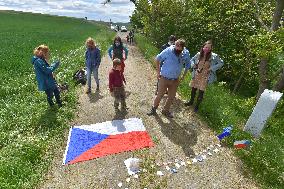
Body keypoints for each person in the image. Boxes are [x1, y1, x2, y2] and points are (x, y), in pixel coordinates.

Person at [147, 39, 191, 118]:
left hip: (175, 80)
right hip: (164, 78)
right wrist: (158, 72)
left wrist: (183, 76)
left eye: (179, 47)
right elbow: (157, 59)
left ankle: (165, 111)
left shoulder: (186, 53)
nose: (177, 48)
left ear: (183, 48)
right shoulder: (168, 50)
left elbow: (188, 65)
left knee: (171, 97)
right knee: (160, 95)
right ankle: (153, 109)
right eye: (176, 45)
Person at [184, 40, 224, 112]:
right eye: (205, 47)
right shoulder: (199, 54)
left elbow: (221, 63)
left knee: (201, 92)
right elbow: (192, 60)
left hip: (205, 76)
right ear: (203, 47)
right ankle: (191, 102)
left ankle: (197, 106)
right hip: (197, 74)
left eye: (208, 48)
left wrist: (211, 68)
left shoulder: (214, 56)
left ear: (211, 49)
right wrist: (193, 65)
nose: (207, 49)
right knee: (193, 89)